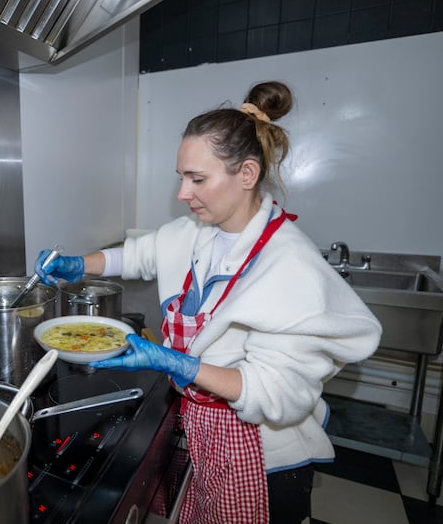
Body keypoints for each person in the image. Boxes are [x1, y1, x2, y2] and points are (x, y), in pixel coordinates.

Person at [34, 81, 381, 524]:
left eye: (197, 179)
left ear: (248, 175)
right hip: (206, 437)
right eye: (181, 177)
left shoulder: (289, 266)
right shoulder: (196, 232)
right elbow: (138, 254)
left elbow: (279, 394)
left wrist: (178, 364)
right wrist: (76, 264)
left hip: (264, 456)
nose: (182, 193)